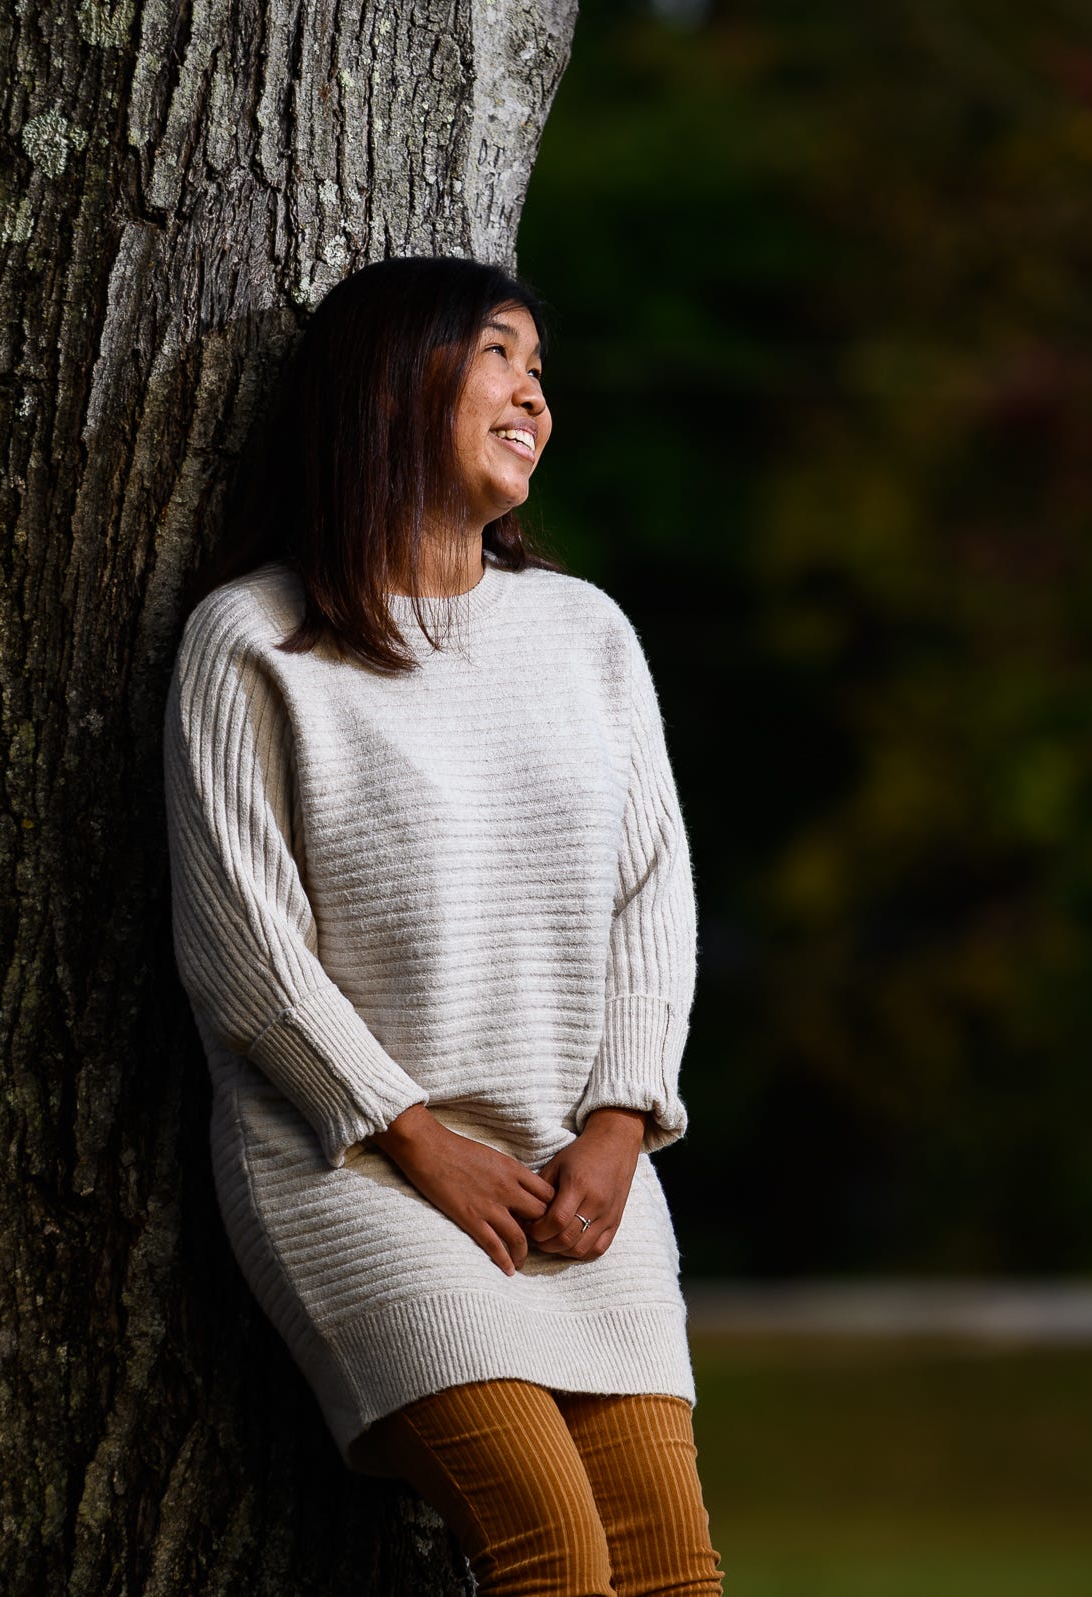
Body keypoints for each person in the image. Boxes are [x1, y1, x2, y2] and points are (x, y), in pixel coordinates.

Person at [161, 255, 725, 1596]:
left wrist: (621, 1120)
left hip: (579, 1174)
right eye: (498, 355)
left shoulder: (582, 630)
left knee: (671, 1569)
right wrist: (416, 1137)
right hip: (358, 1167)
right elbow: (244, 946)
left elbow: (656, 896)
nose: (534, 390)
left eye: (539, 365)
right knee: (554, 1554)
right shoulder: (254, 639)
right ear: (387, 386)